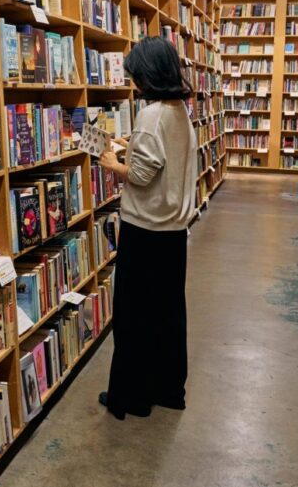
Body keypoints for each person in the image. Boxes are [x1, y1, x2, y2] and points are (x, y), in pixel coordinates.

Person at [97, 37, 197, 420]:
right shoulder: (179, 110)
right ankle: (168, 389)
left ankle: (131, 398)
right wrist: (131, 146)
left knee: (133, 315)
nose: (133, 80)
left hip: (145, 228)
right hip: (173, 230)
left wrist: (113, 163)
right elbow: (163, 160)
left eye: (136, 73)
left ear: (148, 73)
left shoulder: (151, 114)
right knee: (168, 312)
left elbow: (140, 175)